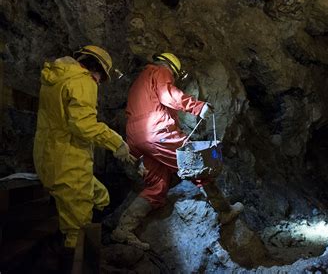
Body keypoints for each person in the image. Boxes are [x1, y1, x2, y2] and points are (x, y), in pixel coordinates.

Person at [111, 53, 243, 250]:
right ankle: (224, 211)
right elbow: (167, 94)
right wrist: (197, 107)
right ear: (171, 67)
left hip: (135, 138)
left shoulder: (140, 80)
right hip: (157, 132)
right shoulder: (160, 71)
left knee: (157, 184)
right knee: (198, 164)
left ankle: (123, 229)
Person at [33, 45, 135, 256]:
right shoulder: (83, 81)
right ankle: (75, 259)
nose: (98, 83)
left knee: (101, 196)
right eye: (100, 78)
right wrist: (117, 143)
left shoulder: (55, 77)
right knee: (77, 227)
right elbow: (83, 125)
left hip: (47, 156)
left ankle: (91, 233)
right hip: (69, 160)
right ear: (97, 70)